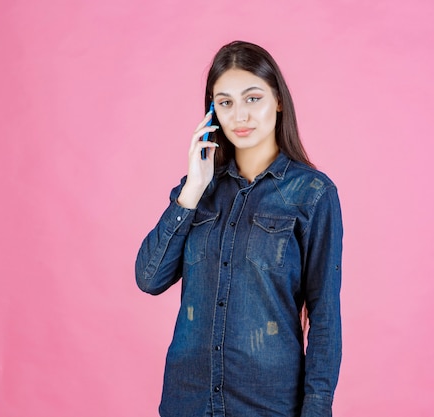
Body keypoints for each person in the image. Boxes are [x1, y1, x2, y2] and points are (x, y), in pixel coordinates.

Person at [135, 40, 343, 417]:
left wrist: (317, 410)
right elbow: (149, 279)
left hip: (267, 403)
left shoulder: (312, 194)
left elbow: (325, 318)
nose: (240, 115)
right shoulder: (197, 189)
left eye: (252, 98)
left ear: (278, 100)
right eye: (225, 102)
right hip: (188, 400)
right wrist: (193, 190)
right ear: (212, 112)